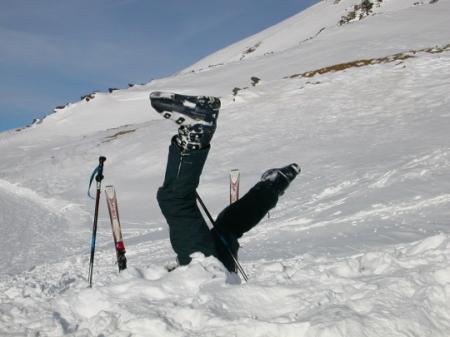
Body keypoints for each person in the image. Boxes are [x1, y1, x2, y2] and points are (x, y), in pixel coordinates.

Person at [150, 91, 300, 272]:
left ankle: (272, 186)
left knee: (227, 227)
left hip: (220, 268)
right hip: (205, 275)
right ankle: (196, 132)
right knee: (175, 200)